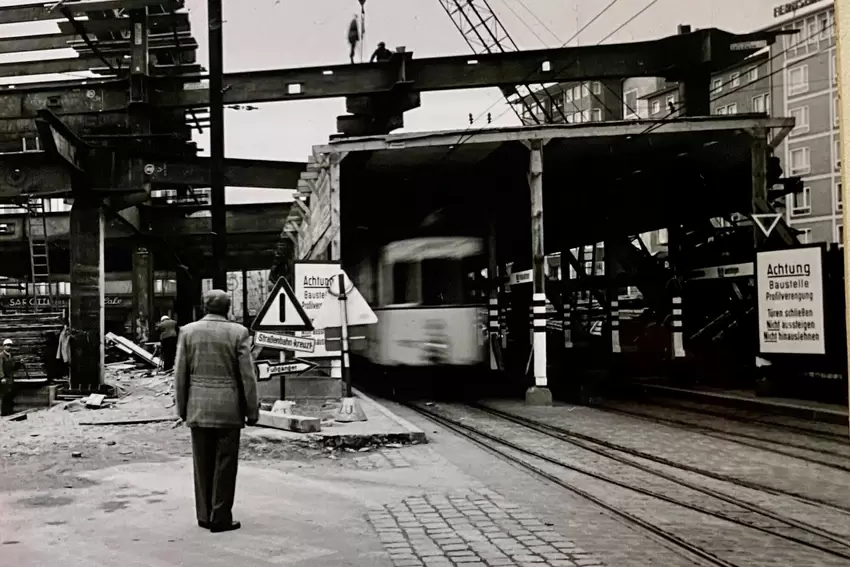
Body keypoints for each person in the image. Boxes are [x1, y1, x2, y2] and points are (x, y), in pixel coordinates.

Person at [175, 290, 259, 533]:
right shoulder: (238, 332)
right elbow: (247, 377)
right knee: (225, 464)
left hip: (198, 407)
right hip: (229, 409)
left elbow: (180, 374)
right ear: (228, 308)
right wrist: (251, 410)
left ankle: (204, 516)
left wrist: (182, 409)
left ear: (204, 306)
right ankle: (220, 517)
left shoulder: (188, 331)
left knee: (202, 464)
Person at [0, 339, 22, 416]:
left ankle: (9, 411)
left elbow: (13, 367)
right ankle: (3, 412)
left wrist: (19, 364)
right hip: (4, 379)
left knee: (10, 394)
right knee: (5, 395)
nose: (8, 347)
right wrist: (2, 377)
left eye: (10, 345)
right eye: (6, 345)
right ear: (3, 346)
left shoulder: (11, 356)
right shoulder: (1, 356)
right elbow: (0, 368)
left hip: (10, 379)